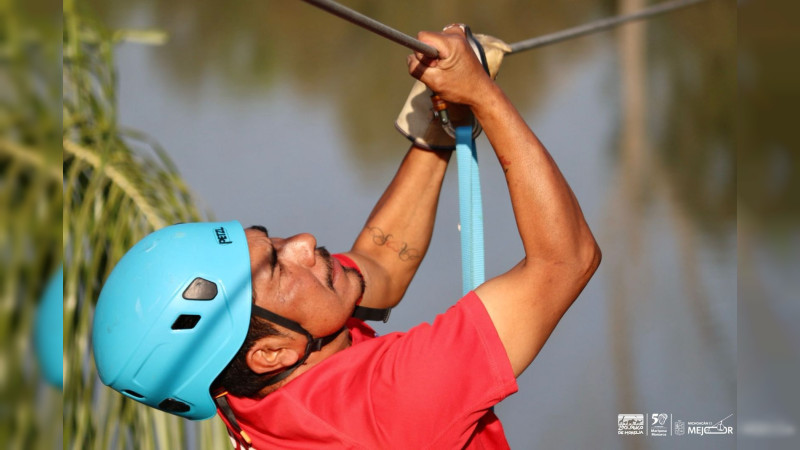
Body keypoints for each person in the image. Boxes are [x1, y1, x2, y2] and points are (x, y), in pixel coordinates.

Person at [93, 25, 600, 449]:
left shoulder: (243, 386)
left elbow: (380, 265)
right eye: (275, 266)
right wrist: (485, 98)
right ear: (272, 353)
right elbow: (567, 261)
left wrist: (440, 125)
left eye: (270, 241)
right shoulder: (387, 404)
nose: (304, 244)